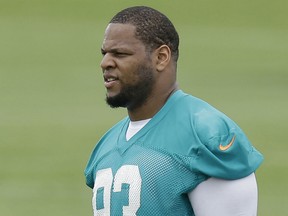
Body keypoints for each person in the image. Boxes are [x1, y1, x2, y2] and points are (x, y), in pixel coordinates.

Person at [84, 6, 263, 216]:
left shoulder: (206, 136)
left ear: (161, 57)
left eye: (120, 54)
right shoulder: (105, 146)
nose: (105, 63)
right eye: (104, 53)